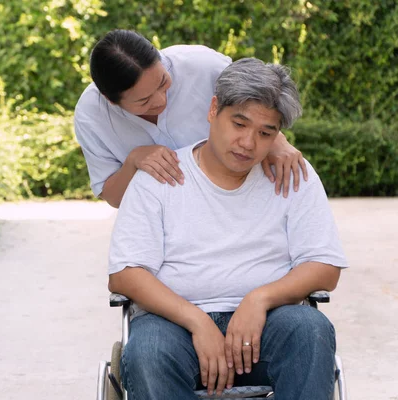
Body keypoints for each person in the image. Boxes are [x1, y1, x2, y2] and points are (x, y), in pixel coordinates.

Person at [107, 57, 349, 400]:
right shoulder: (160, 176)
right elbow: (125, 274)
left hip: (269, 327)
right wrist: (197, 321)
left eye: (266, 133)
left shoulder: (292, 174)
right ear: (213, 109)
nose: (249, 143)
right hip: (175, 328)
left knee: (311, 330)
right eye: (240, 124)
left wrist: (259, 299)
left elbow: (325, 267)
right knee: (149, 350)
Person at [74, 29, 308, 208]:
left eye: (163, 83)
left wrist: (277, 141)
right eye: (144, 101)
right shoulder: (91, 116)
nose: (161, 101)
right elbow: (114, 198)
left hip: (240, 200)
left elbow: (260, 102)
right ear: (111, 100)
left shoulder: (202, 65)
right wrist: (134, 161)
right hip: (164, 221)